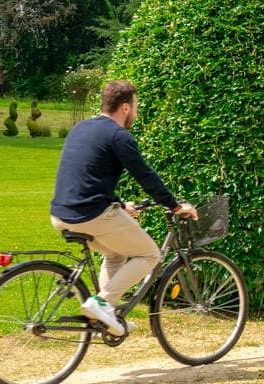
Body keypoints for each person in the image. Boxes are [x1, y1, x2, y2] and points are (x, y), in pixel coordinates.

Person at [49, 79, 197, 336]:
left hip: (61, 214)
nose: (136, 113)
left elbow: (87, 177)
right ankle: (102, 302)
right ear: (126, 108)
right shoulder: (120, 136)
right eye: (136, 106)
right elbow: (145, 176)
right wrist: (174, 206)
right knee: (150, 254)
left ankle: (104, 317)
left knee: (116, 254)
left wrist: (117, 203)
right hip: (90, 216)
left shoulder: (82, 128)